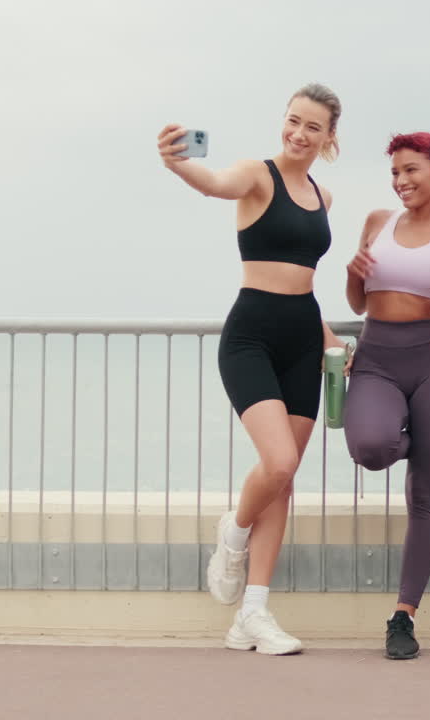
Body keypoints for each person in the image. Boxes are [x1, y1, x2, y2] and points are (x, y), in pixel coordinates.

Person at [156, 83, 345, 655]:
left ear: (329, 137)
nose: (299, 133)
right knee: (278, 460)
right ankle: (234, 531)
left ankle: (253, 615)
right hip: (250, 338)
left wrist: (330, 340)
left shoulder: (323, 196)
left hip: (304, 342)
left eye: (313, 126)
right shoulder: (256, 175)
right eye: (293, 120)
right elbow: (214, 184)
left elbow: (303, 282)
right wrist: (177, 163)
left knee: (284, 479)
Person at [343, 132, 430, 660]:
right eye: (395, 173)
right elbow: (358, 304)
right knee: (371, 448)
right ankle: (409, 439)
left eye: (411, 171)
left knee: (424, 495)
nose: (401, 181)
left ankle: (403, 617)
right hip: (376, 357)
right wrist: (351, 275)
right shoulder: (377, 222)